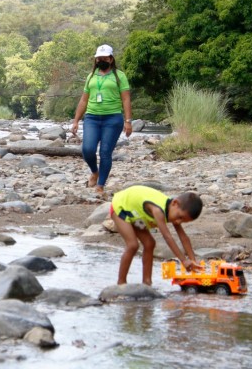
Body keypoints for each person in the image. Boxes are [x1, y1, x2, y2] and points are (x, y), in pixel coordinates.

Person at [109, 185, 203, 285]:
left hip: (137, 215)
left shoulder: (173, 210)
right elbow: (167, 237)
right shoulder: (158, 211)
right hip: (121, 207)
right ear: (175, 203)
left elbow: (183, 237)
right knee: (133, 245)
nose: (178, 222)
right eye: (180, 217)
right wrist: (183, 261)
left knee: (150, 243)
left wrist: (193, 261)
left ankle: (147, 282)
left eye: (183, 221)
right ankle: (121, 283)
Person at [71, 44, 132, 195]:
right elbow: (84, 100)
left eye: (104, 58)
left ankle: (101, 185)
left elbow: (126, 99)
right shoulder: (91, 76)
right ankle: (94, 171)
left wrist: (128, 121)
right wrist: (76, 120)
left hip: (113, 119)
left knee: (105, 152)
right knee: (87, 150)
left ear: (111, 59)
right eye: (98, 58)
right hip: (91, 117)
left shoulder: (120, 76)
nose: (101, 61)